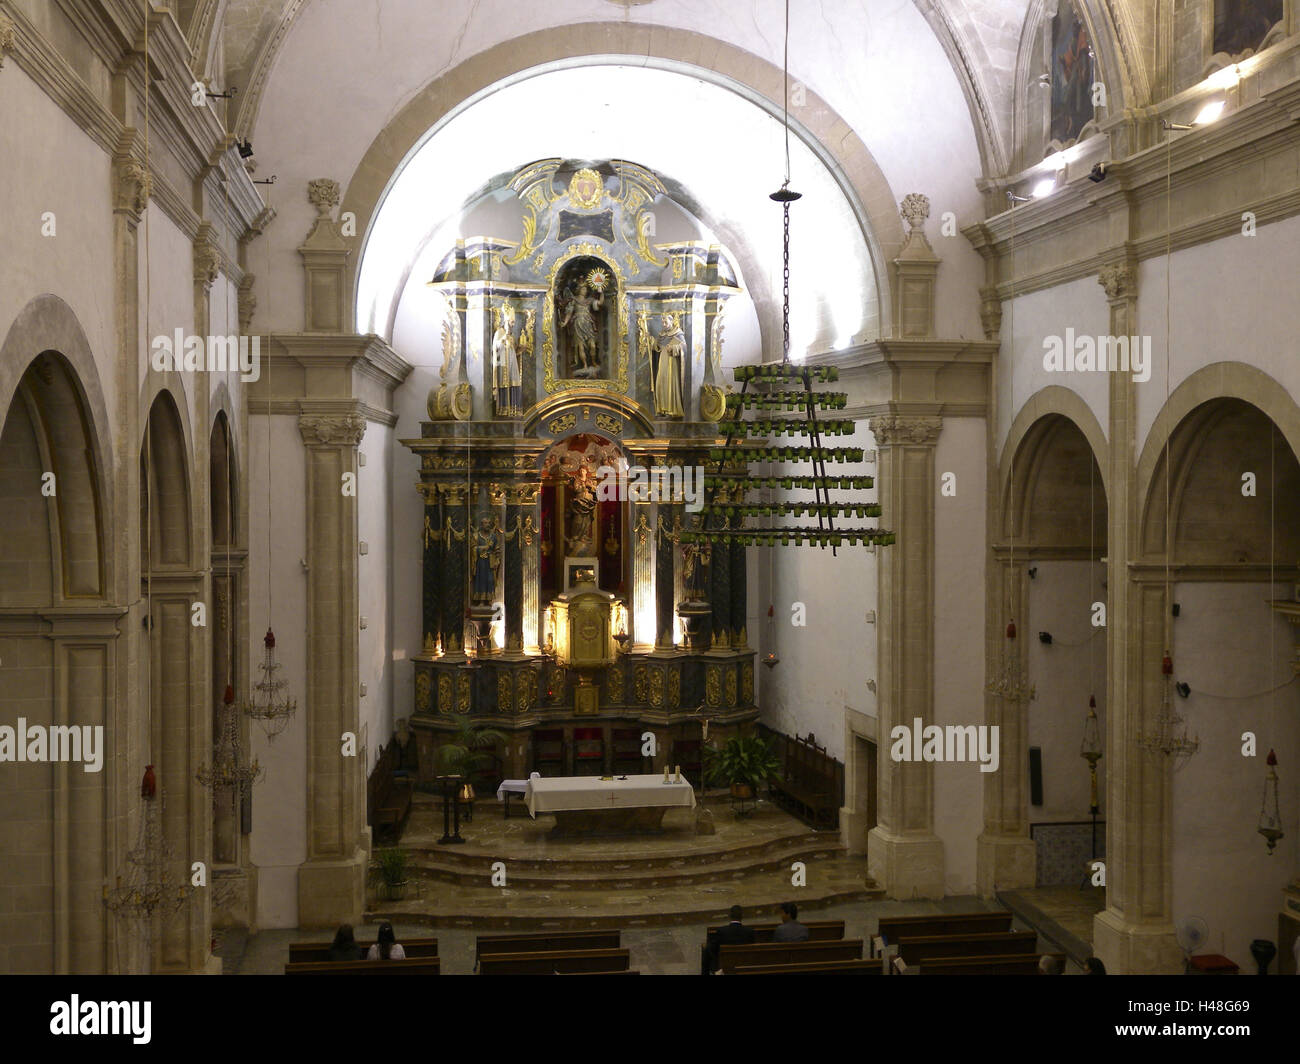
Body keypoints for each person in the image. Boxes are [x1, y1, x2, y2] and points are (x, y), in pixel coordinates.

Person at [706, 905, 755, 973]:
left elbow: (713, 949)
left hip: (725, 966)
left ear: (730, 916)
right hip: (743, 966)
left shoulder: (721, 931)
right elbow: (752, 949)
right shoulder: (749, 932)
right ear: (742, 917)